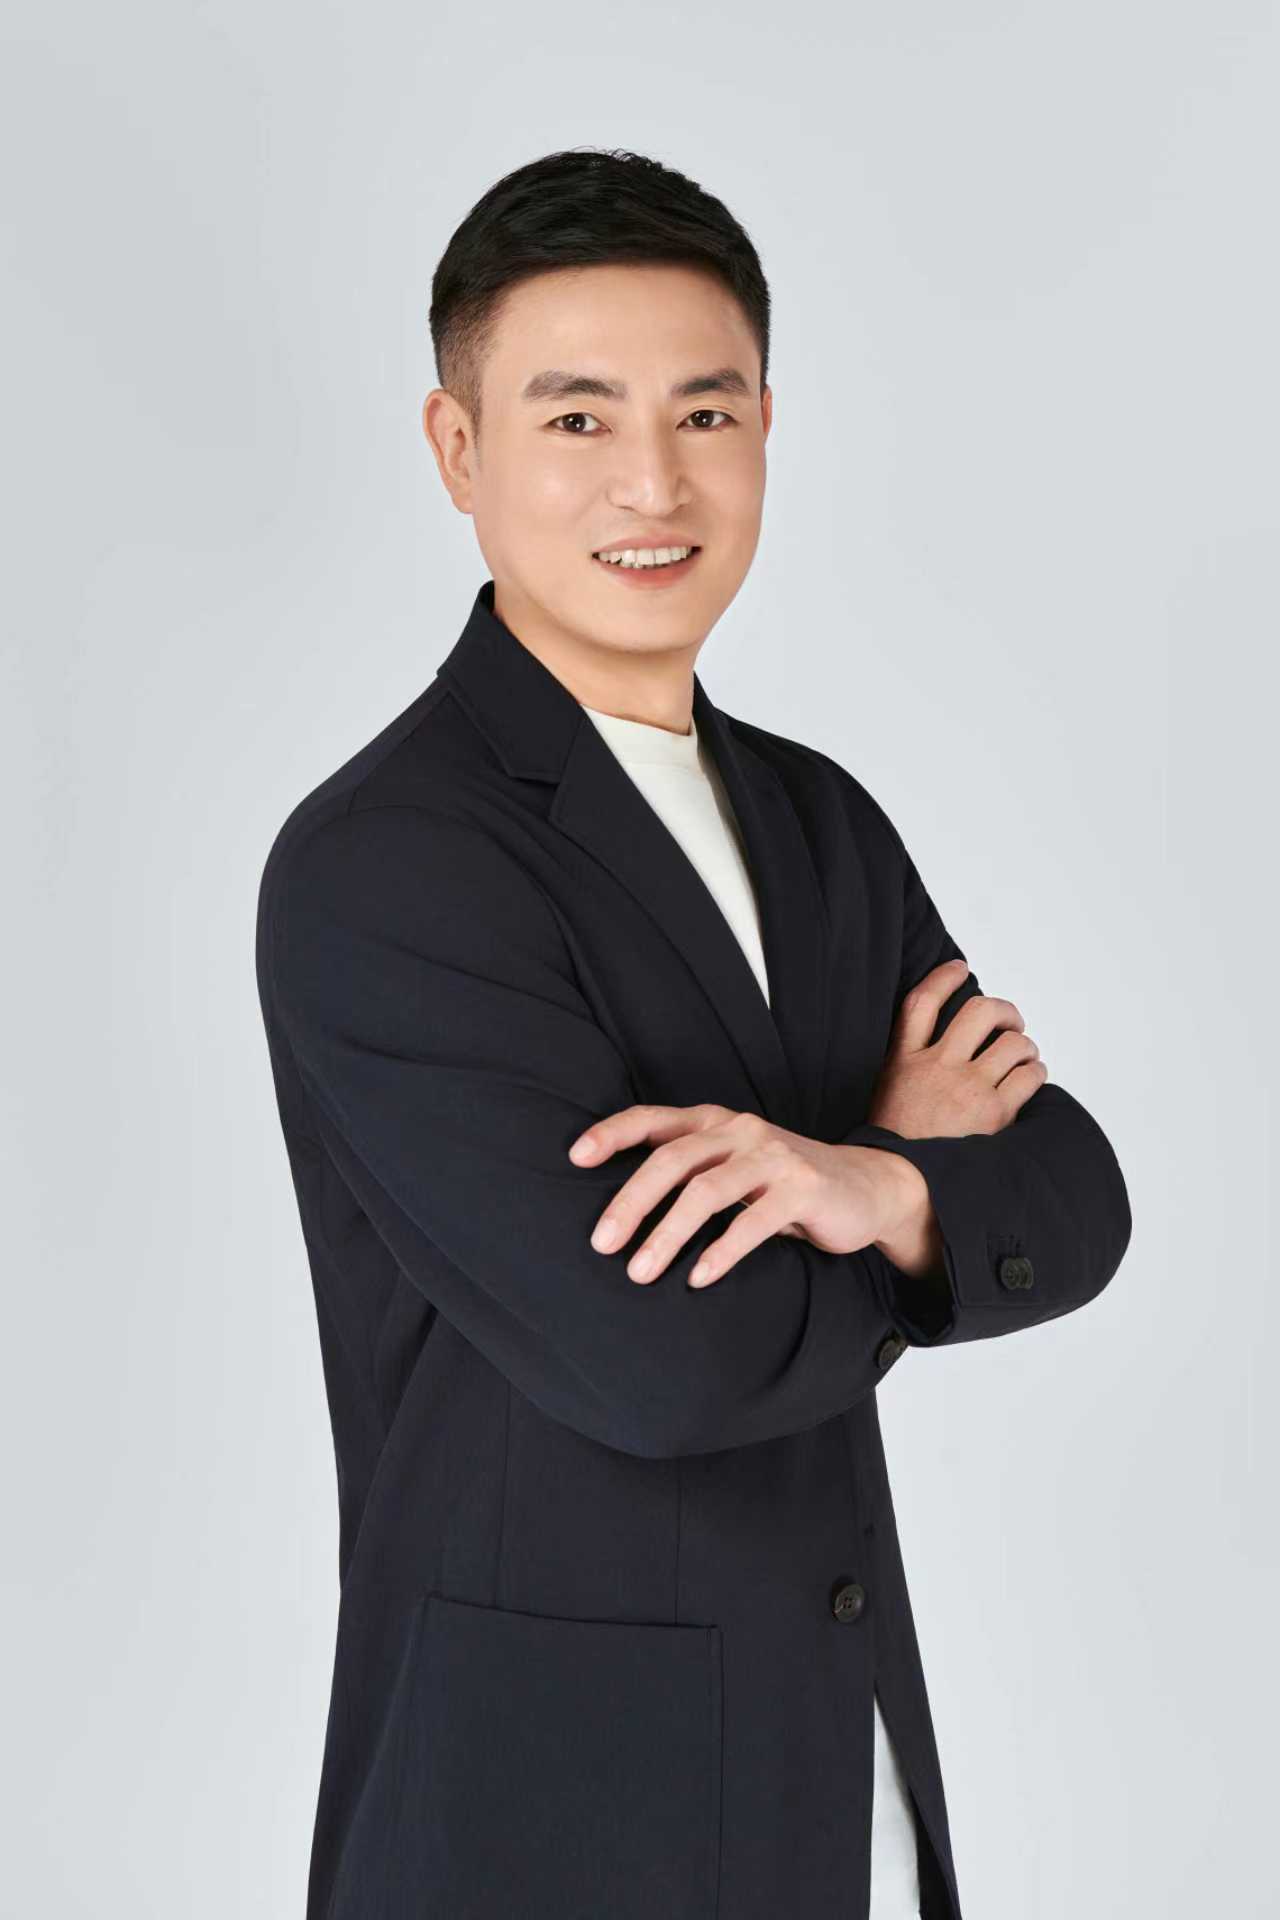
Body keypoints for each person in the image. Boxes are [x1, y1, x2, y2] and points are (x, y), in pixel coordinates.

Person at [254, 147, 1132, 1920]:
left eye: (705, 414)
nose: (654, 482)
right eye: (577, 418)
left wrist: (867, 1185)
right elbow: (667, 1363)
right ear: (457, 449)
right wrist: (916, 1189)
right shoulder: (390, 863)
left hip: (840, 1779)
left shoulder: (819, 823)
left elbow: (1075, 1195)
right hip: (542, 1820)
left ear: (767, 431)